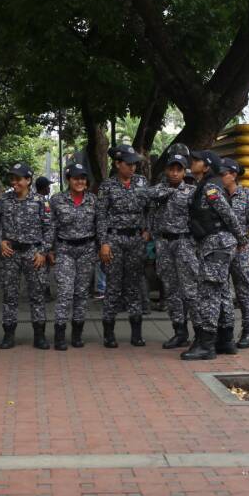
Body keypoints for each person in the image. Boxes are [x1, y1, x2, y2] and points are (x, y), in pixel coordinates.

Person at [182, 150, 247, 360]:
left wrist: (242, 240)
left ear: (207, 166)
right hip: (214, 244)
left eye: (197, 160)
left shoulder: (210, 187)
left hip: (216, 244)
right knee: (221, 293)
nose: (192, 163)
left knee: (208, 294)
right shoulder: (205, 186)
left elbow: (228, 214)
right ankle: (225, 340)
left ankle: (206, 344)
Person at [96, 144, 150, 348]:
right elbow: (100, 217)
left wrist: (148, 230)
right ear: (118, 164)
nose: (133, 168)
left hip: (136, 240)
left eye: (135, 164)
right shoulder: (107, 186)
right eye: (129, 164)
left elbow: (150, 209)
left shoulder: (142, 183)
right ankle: (109, 333)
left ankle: (136, 333)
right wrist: (104, 243)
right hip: (115, 240)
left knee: (134, 286)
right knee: (113, 287)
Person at [0, 162, 51, 349]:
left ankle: (40, 335)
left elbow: (49, 228)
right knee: (9, 295)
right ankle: (9, 335)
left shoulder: (40, 201)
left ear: (28, 180)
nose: (14, 182)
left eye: (18, 179)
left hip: (33, 253)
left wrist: (43, 251)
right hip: (10, 253)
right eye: (12, 178)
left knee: (37, 296)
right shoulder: (4, 200)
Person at [147, 146, 198, 349]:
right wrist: (153, 235)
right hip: (164, 244)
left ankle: (201, 333)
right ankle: (179, 331)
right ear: (166, 170)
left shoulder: (192, 192)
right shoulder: (159, 190)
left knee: (190, 290)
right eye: (171, 169)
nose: (175, 173)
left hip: (184, 243)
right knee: (171, 290)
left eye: (179, 169)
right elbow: (148, 206)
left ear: (184, 171)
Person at [48, 162, 98, 350]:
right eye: (76, 178)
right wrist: (49, 250)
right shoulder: (57, 200)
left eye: (83, 178)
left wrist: (102, 247)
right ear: (68, 180)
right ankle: (60, 334)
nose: (80, 181)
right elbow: (51, 227)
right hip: (64, 249)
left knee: (81, 294)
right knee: (65, 292)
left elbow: (98, 226)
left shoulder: (93, 200)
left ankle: (77, 334)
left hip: (86, 249)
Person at [219, 158, 249, 349]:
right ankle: (224, 330)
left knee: (243, 291)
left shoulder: (247, 195)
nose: (220, 177)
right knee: (222, 292)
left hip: (241, 251)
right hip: (220, 250)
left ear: (233, 175)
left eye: (223, 174)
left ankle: (248, 331)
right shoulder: (216, 194)